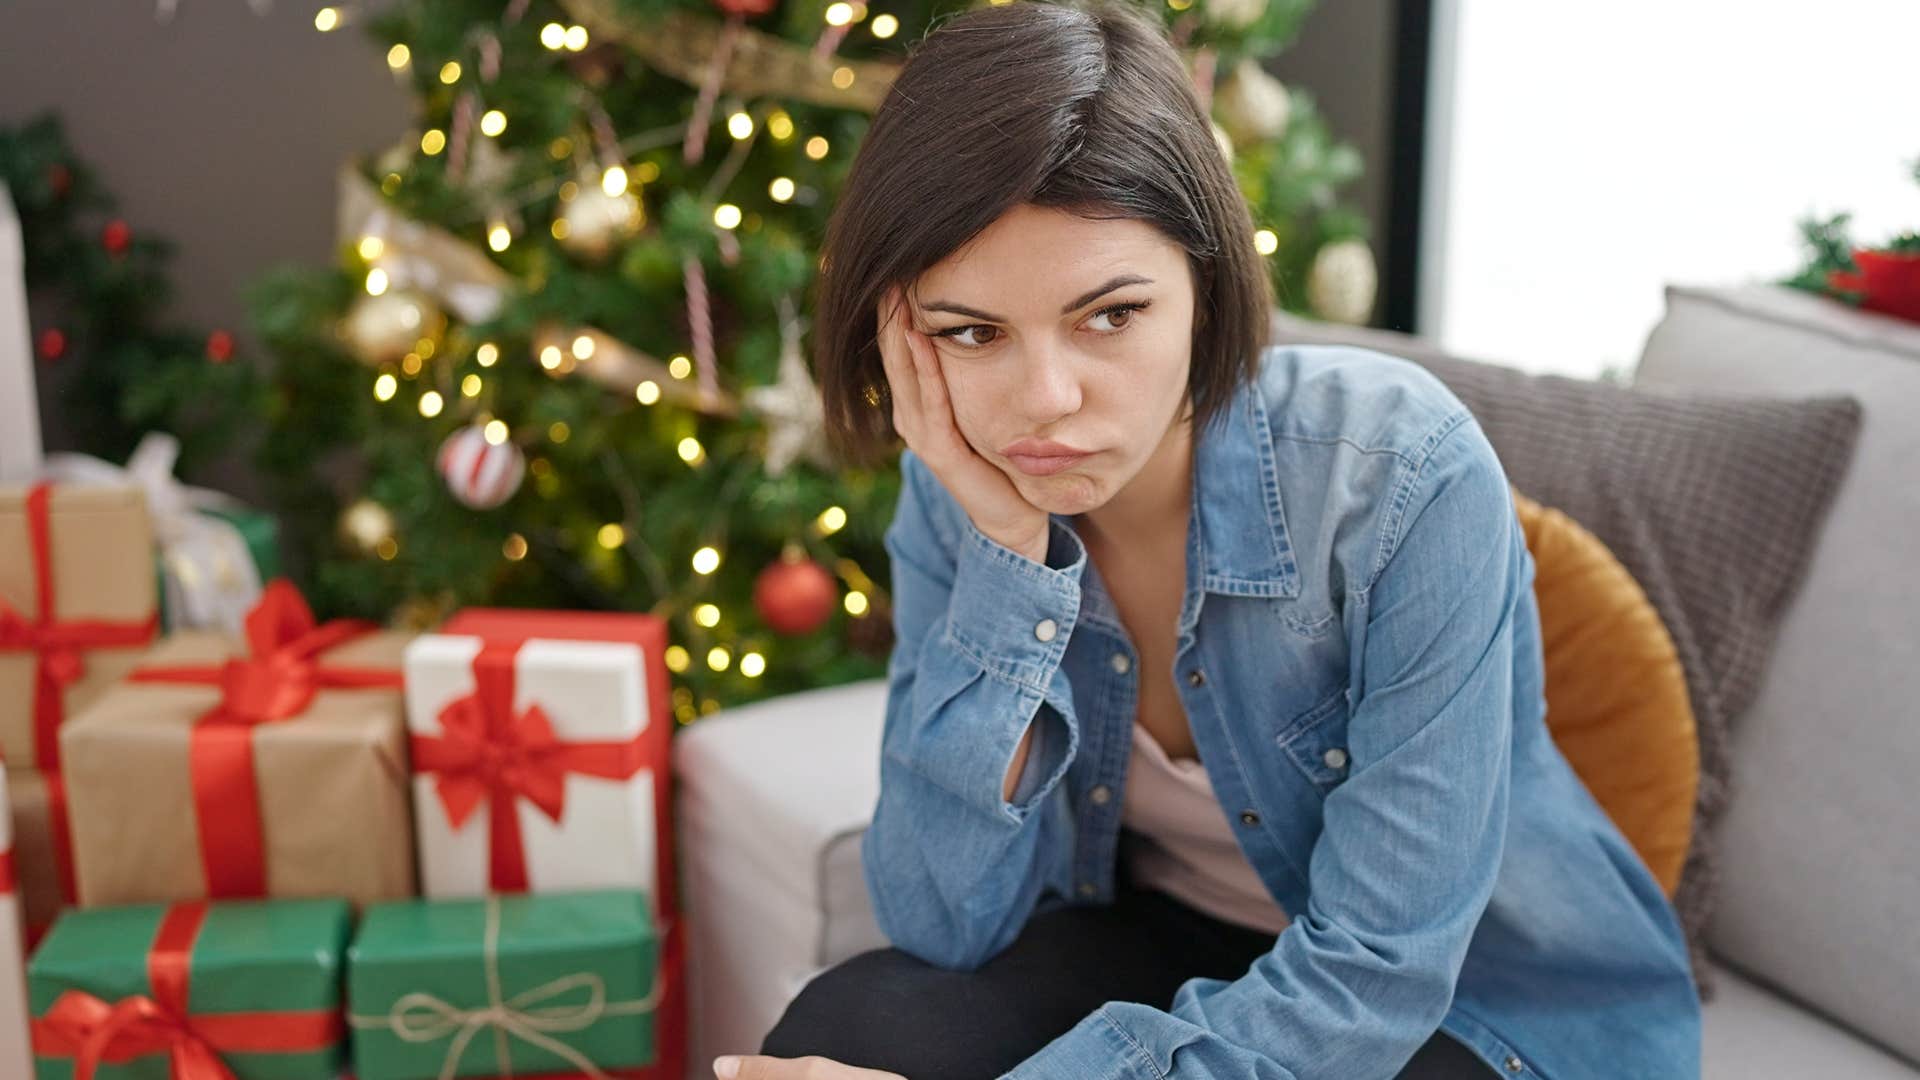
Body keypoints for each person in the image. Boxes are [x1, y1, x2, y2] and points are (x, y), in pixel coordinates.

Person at [715, 1, 1703, 1077]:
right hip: (1182, 937)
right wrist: (1007, 553)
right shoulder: (957, 486)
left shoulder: (1402, 477)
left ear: (1205, 286)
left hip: (1474, 1002)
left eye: (1111, 315)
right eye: (971, 332)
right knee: (853, 1033)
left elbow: (1377, 974)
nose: (1044, 400)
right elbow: (945, 923)